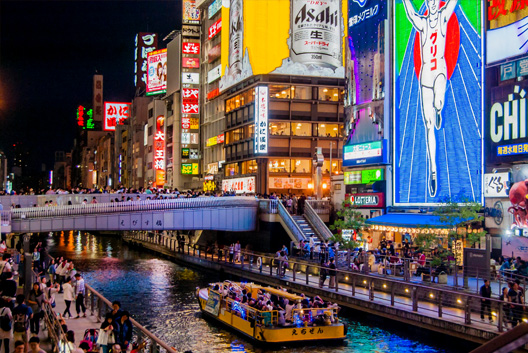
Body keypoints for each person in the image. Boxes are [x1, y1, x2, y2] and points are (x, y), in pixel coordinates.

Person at [402, 0, 458, 196]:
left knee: (439, 100)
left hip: (440, 71)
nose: (433, 4)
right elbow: (410, 14)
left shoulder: (443, 17)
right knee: (428, 124)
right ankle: (433, 171)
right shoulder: (423, 24)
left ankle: (439, 107)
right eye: (429, 1)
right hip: (425, 77)